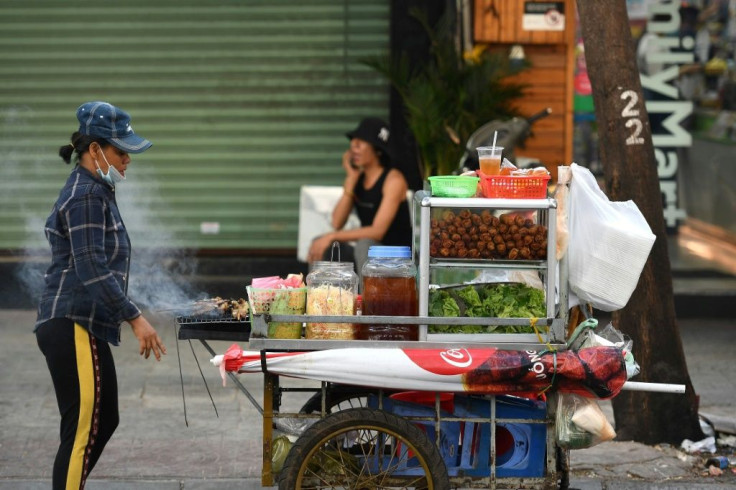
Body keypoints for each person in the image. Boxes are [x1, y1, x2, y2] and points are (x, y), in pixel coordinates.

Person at [35, 101, 166, 490]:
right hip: (72, 322)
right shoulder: (87, 195)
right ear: (95, 150)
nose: (127, 159)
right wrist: (135, 317)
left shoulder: (95, 188)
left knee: (104, 419)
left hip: (82, 323)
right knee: (80, 432)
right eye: (120, 150)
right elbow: (90, 265)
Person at [307, 117, 412, 273]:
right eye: (353, 141)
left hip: (396, 259)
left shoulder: (394, 179)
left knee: (364, 245)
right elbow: (337, 222)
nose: (353, 146)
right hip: (368, 256)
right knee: (325, 244)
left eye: (361, 142)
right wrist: (351, 179)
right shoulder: (358, 179)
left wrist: (332, 235)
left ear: (378, 149)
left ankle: (367, 298)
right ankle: (324, 294)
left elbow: (378, 231)